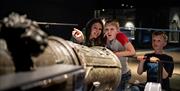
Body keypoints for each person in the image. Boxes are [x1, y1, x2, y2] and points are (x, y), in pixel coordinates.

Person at [104, 19, 136, 91]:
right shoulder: (106, 37)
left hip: (123, 74)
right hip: (113, 73)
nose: (109, 32)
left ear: (117, 30)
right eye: (106, 29)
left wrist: (115, 54)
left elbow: (132, 51)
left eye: (112, 29)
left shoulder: (120, 36)